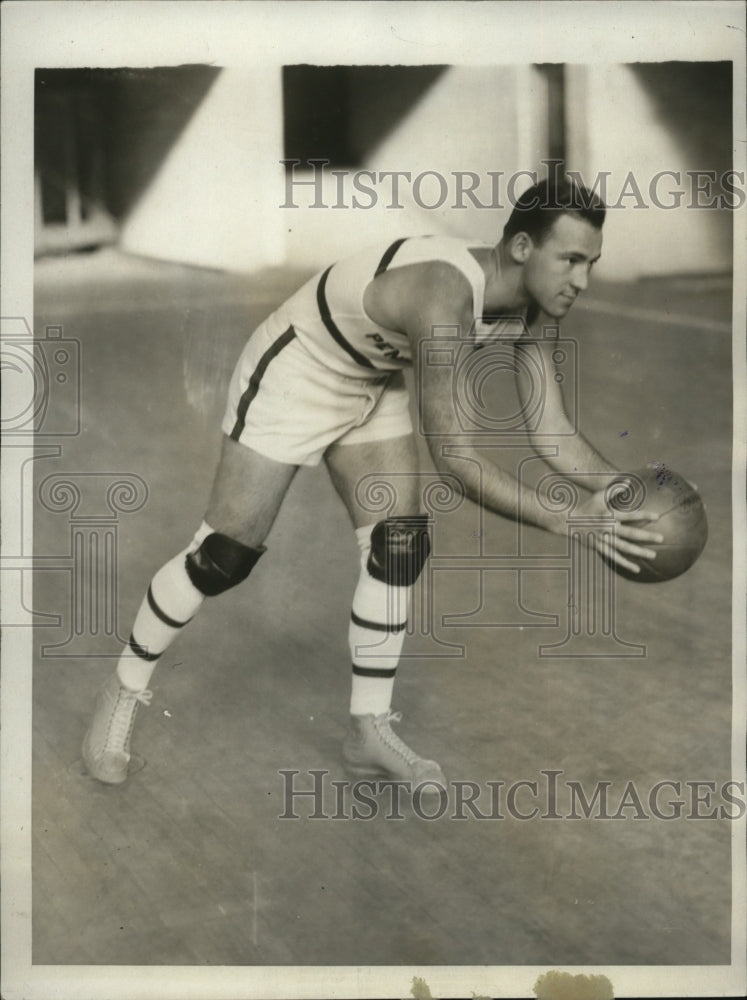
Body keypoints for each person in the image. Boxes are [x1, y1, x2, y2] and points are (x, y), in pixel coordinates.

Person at [82, 177, 664, 787]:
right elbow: (457, 460)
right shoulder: (444, 296)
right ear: (521, 248)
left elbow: (552, 434)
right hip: (301, 366)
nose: (582, 281)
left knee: (399, 544)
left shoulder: (532, 310)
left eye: (591, 264)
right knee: (224, 556)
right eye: (570, 260)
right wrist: (566, 518)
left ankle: (369, 730)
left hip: (372, 375)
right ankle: (123, 688)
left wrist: (627, 491)